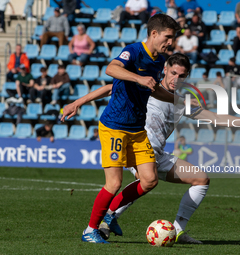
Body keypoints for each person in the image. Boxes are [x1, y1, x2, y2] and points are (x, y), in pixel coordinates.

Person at [90, 53, 240, 244]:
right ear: (165, 70)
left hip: (158, 153)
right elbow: (111, 88)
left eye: (182, 76)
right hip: (137, 147)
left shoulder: (182, 101)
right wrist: (77, 103)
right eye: (173, 73)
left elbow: (215, 118)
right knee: (146, 178)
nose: (176, 79)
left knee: (201, 179)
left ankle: (176, 231)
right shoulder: (149, 87)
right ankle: (107, 219)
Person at [61, 14, 181, 244]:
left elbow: (152, 89)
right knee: (114, 183)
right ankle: (89, 230)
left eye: (173, 38)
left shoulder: (158, 62)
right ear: (154, 33)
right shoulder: (134, 51)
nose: (170, 43)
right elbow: (111, 69)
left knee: (149, 180)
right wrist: (138, 78)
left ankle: (110, 214)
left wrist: (177, 99)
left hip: (136, 129)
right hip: (115, 126)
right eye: (168, 37)